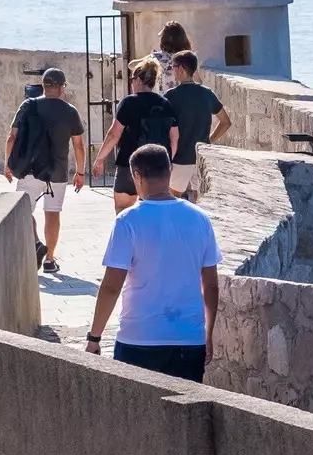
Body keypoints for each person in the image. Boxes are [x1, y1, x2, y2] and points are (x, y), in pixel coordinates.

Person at [86, 145, 219, 382]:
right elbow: (210, 286)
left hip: (138, 339)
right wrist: (207, 334)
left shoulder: (128, 221)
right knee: (184, 417)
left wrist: (94, 338)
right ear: (169, 170)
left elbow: (111, 287)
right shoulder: (201, 219)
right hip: (188, 340)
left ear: (137, 176)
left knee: (133, 416)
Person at [3, 66, 86, 273]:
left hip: (31, 169)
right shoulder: (70, 111)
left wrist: (7, 164)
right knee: (52, 213)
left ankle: (37, 243)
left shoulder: (28, 105)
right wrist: (80, 172)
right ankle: (49, 259)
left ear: (44, 85)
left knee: (22, 211)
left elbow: (11, 136)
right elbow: (78, 145)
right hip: (57, 171)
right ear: (62, 87)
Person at [95, 59, 177, 214]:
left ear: (139, 79)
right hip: (157, 165)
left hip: (130, 164)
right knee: (154, 208)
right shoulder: (165, 103)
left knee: (123, 208)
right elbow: (174, 138)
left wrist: (100, 158)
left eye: (132, 79)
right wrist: (168, 160)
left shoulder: (129, 102)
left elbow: (114, 134)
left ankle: (127, 236)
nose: (132, 83)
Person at [163, 51, 230, 202]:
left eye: (173, 67)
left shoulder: (170, 96)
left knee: (171, 200)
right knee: (199, 201)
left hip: (179, 157)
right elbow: (226, 122)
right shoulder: (207, 94)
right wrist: (208, 142)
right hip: (200, 156)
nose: (172, 70)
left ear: (181, 68)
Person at [151, 20, 190, 88]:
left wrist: (150, 57)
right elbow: (198, 81)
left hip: (163, 97)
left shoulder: (158, 57)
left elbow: (131, 65)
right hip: (182, 96)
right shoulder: (189, 57)